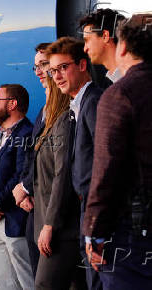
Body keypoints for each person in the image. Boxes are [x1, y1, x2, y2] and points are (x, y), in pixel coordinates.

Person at [83, 14, 152, 290]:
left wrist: (94, 231)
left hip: (134, 235)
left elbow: (106, 169)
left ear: (122, 46)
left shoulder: (120, 95)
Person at [46, 36, 102, 290]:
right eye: (53, 70)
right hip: (86, 212)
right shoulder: (76, 106)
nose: (56, 76)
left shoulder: (93, 103)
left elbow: (105, 164)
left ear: (82, 65)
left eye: (63, 68)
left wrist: (97, 224)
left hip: (96, 213)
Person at [0, 84, 34, 290]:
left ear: (12, 104)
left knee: (27, 280)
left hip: (14, 218)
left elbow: (20, 177)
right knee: (5, 281)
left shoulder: (27, 134)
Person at [32, 75, 81, 290]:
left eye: (47, 92)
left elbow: (62, 176)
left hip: (61, 228)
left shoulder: (63, 123)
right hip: (56, 226)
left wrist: (50, 224)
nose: (45, 96)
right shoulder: (52, 126)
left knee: (45, 284)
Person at [12, 42, 51, 277]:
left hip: (50, 211)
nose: (38, 72)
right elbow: (33, 155)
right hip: (36, 208)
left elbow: (60, 161)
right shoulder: (44, 110)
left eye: (43, 65)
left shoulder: (65, 108)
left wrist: (25, 187)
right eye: (35, 66)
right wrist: (24, 188)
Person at [80, 9, 126, 84]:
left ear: (105, 36)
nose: (85, 49)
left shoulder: (136, 81)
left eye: (87, 40)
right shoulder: (117, 81)